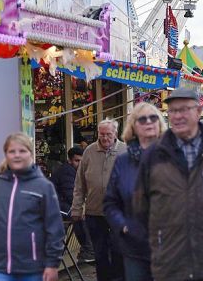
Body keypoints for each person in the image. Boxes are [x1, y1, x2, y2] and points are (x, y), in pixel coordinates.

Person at [134, 87, 203, 281]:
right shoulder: (154, 155)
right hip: (170, 263)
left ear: (198, 112)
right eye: (173, 111)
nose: (178, 116)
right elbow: (141, 207)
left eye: (185, 109)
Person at [0, 133, 64, 281]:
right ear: (6, 154)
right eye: (11, 151)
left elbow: (54, 229)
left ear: (31, 154)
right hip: (0, 268)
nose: (17, 155)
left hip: (33, 269)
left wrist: (52, 264)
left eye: (22, 151)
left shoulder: (44, 187)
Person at [105, 103, 165, 281]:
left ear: (160, 123)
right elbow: (110, 203)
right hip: (135, 249)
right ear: (133, 126)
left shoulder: (174, 156)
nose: (148, 122)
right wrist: (123, 225)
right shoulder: (123, 161)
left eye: (153, 117)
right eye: (142, 119)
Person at [73, 119, 127, 281]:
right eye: (101, 134)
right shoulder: (89, 151)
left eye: (108, 134)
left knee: (119, 252)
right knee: (100, 253)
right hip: (94, 212)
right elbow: (79, 183)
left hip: (119, 214)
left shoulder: (125, 151)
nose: (104, 138)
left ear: (115, 134)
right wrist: (77, 208)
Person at [53, 146, 93, 262]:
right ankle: (88, 249)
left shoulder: (77, 171)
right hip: (55, 206)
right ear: (70, 160)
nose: (80, 164)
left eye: (82, 161)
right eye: (77, 161)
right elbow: (71, 194)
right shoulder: (67, 171)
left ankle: (89, 249)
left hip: (62, 205)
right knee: (79, 214)